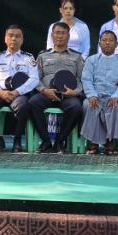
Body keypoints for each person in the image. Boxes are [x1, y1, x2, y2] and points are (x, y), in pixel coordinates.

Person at [0, 25, 40, 152]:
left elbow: (34, 79)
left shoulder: (28, 58)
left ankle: (17, 140)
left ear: (22, 40)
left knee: (23, 106)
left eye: (17, 36)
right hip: (0, 93)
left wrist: (17, 92)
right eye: (10, 35)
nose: (14, 39)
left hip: (19, 94)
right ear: (5, 38)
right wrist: (0, 92)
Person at [30, 22, 85, 153]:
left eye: (63, 33)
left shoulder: (77, 57)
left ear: (68, 36)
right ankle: (46, 142)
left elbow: (83, 79)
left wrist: (75, 92)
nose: (60, 36)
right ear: (52, 35)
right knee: (32, 103)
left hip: (68, 95)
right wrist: (44, 90)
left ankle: (60, 142)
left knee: (76, 107)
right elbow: (34, 78)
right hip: (47, 93)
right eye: (57, 33)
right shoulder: (42, 56)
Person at [81, 30, 118, 155]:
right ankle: (93, 141)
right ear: (99, 43)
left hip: (114, 97)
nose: (107, 43)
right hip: (96, 95)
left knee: (117, 106)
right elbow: (86, 79)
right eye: (104, 40)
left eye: (110, 40)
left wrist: (116, 96)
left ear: (116, 44)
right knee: (88, 105)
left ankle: (110, 141)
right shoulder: (91, 60)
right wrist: (91, 95)